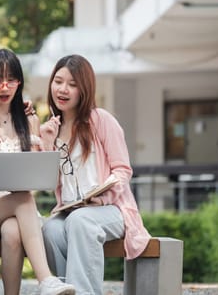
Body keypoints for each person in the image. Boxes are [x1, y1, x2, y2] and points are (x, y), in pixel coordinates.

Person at [0, 48, 75, 295]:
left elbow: (37, 171)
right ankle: (46, 280)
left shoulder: (28, 120)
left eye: (11, 80)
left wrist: (47, 141)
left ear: (19, 82)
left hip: (17, 208)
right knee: (24, 198)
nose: (5, 87)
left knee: (13, 231)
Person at [39, 54, 151, 295]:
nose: (63, 89)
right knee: (50, 229)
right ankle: (63, 291)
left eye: (72, 84)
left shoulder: (101, 120)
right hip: (71, 211)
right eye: (58, 81)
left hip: (112, 210)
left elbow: (122, 170)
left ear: (84, 89)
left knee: (81, 220)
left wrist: (102, 197)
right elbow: (51, 185)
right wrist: (47, 144)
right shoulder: (52, 128)